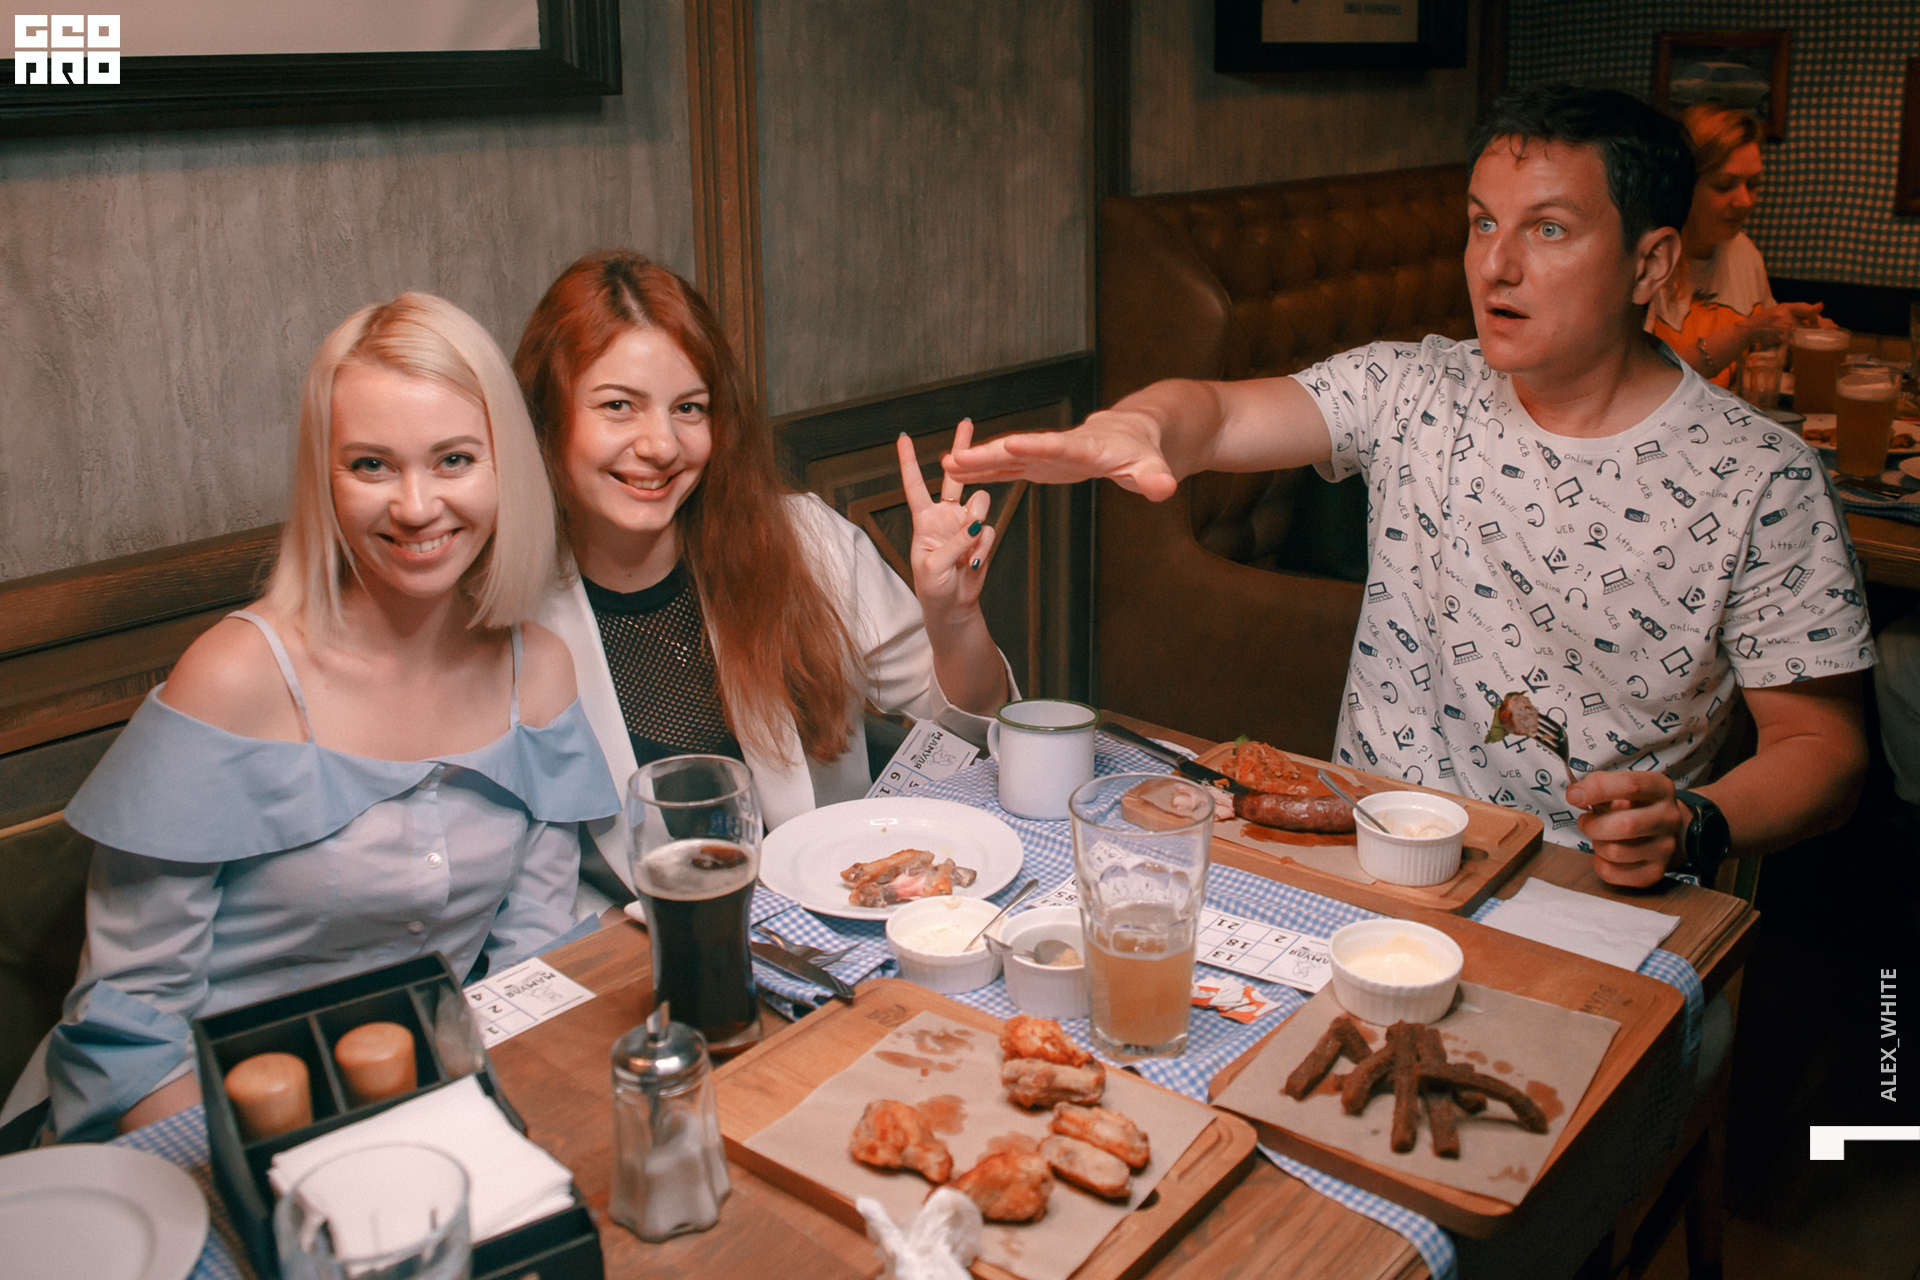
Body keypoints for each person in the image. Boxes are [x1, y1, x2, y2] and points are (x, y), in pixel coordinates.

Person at [947, 86, 1874, 890]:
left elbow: (1822, 748)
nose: (1496, 265)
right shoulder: (1414, 387)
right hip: (1366, 858)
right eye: (1483, 222)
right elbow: (1220, 415)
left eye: (1549, 229)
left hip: (1585, 890)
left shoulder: (1761, 476)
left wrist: (1696, 823)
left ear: (1651, 262)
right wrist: (1142, 425)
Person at [20, 294, 619, 1142]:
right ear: (322, 479)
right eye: (371, 466)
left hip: (433, 1109)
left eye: (453, 459)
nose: (416, 506)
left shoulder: (540, 672)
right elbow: (132, 1032)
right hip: (211, 1131)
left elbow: (532, 955)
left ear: (505, 469)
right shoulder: (232, 678)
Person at [514, 252, 1013, 904]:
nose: (661, 444)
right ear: (547, 418)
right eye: (618, 405)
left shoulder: (801, 540)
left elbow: (975, 730)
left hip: (823, 925)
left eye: (689, 408)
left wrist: (954, 619)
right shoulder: (503, 609)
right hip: (633, 946)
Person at [1650, 102, 1824, 386]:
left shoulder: (1743, 250)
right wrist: (1744, 334)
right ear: (1680, 186)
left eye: (1752, 184)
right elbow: (1648, 385)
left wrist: (1802, 337)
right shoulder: (1645, 259)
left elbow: (1765, 351)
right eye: (1724, 185)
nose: (1744, 201)